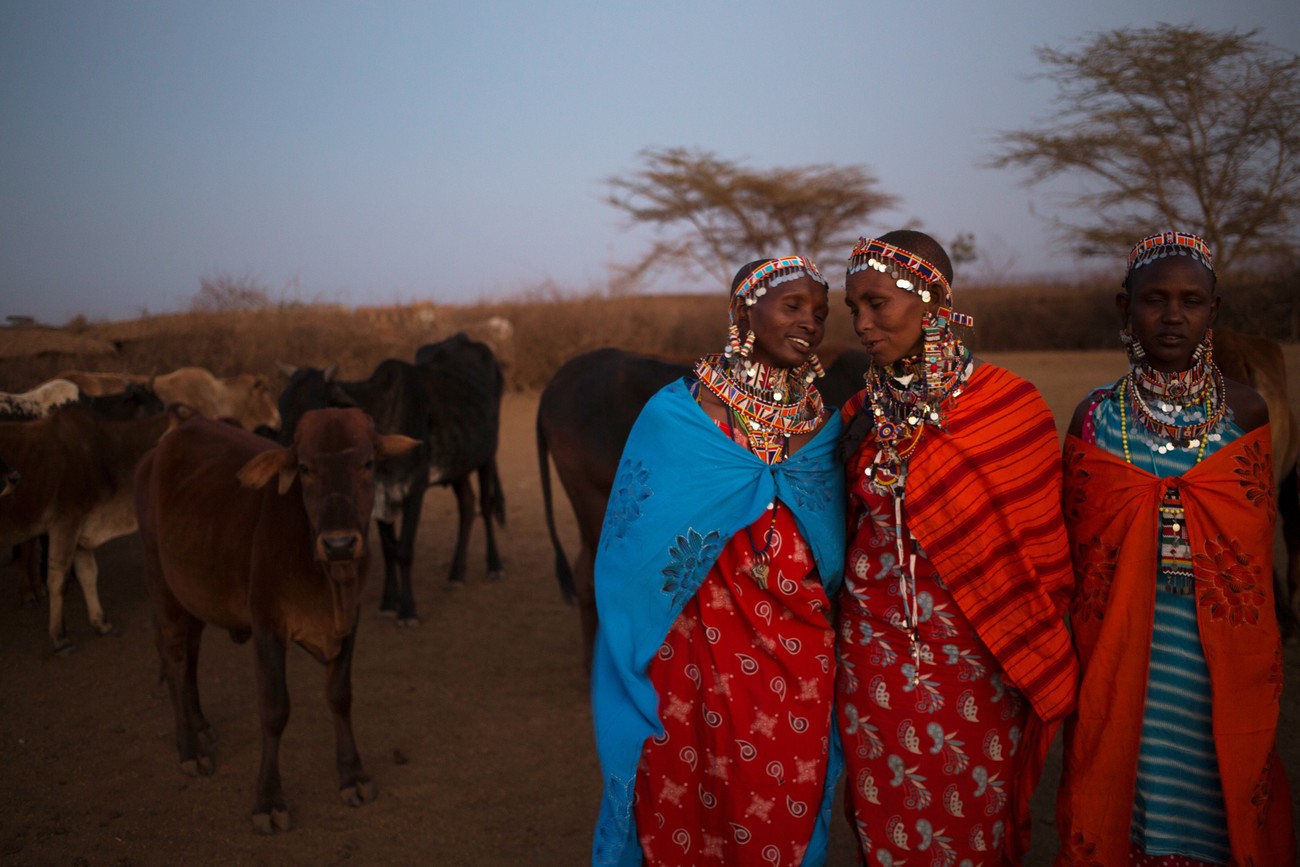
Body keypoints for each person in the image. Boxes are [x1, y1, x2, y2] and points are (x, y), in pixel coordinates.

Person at [590, 256, 846, 866]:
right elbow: (634, 551)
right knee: (691, 796)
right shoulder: (676, 419)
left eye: (820, 312)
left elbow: (833, 550)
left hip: (798, 652)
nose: (809, 321)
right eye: (792, 306)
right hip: (693, 654)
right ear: (741, 312)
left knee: (785, 798)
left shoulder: (825, 426)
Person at [835, 230, 1077, 863]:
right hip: (873, 659)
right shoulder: (858, 413)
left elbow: (1041, 552)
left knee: (975, 826)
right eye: (852, 308)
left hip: (981, 655)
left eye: (877, 305)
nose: (861, 323)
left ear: (933, 303)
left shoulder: (1009, 405)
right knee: (886, 829)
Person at [1054, 231, 1295, 865]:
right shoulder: (1094, 417)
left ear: (1213, 311)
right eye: (1154, 298)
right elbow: (1079, 553)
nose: (1172, 314)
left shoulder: (1247, 414)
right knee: (1129, 786)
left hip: (1220, 658)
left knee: (1222, 791)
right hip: (1123, 650)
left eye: (1191, 300)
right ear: (1123, 306)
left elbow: (1253, 544)